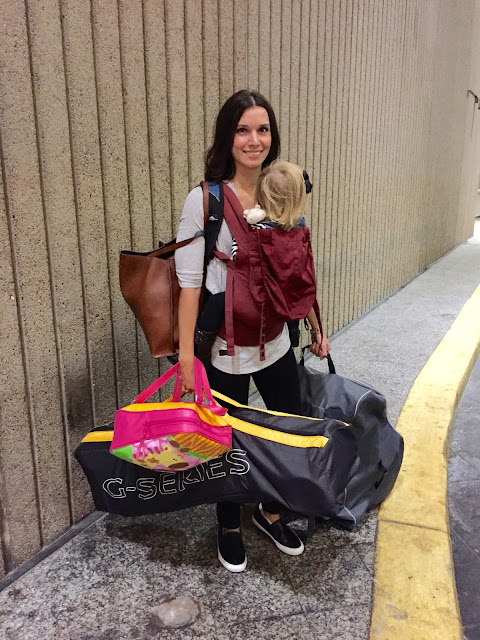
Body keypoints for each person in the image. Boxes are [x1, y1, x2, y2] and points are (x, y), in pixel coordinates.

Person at [175, 90, 330, 573]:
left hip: (278, 342)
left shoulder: (280, 189)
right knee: (226, 438)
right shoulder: (205, 201)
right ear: (228, 137)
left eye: (262, 129)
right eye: (243, 130)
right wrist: (186, 358)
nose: (254, 140)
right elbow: (189, 285)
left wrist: (316, 326)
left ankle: (269, 510)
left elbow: (298, 269)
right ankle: (228, 525)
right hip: (226, 348)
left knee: (284, 428)